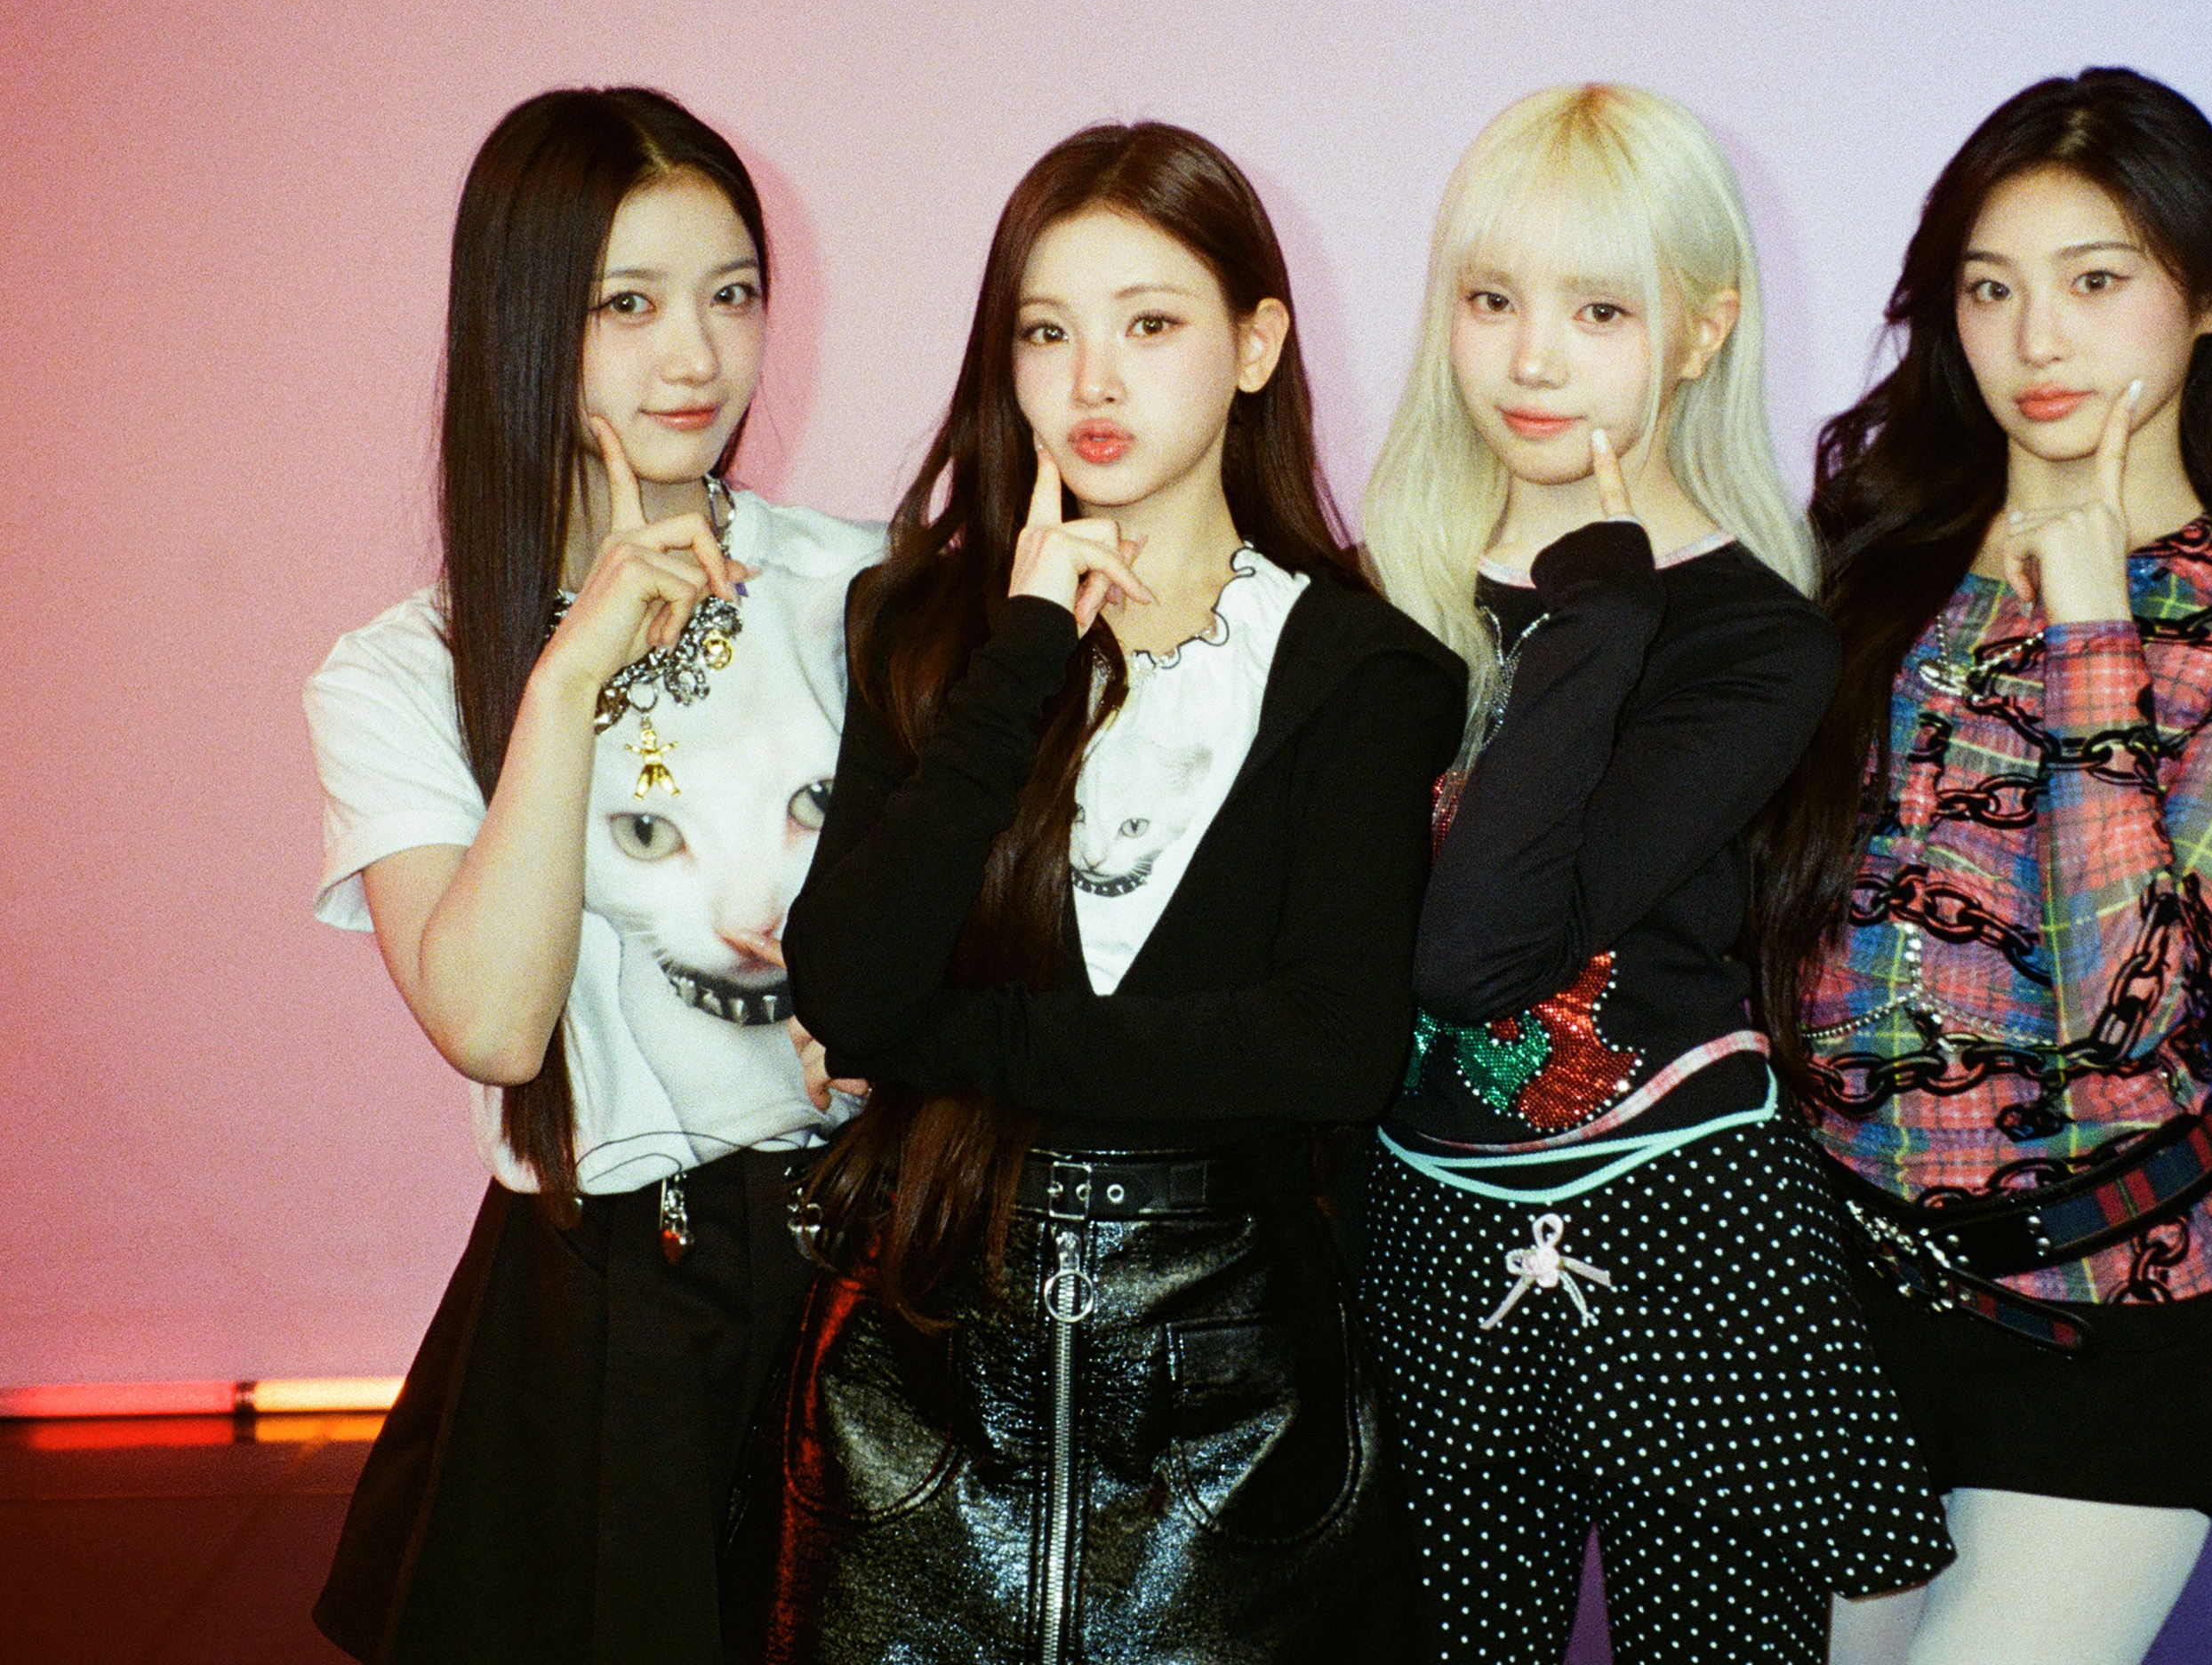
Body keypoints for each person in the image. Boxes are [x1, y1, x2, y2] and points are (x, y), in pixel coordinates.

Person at [723, 121, 1464, 1665]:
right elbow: (846, 986)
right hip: (918, 1380)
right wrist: (1020, 655)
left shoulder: (1361, 668)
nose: (1092, 383)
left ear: (1255, 344)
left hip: (1233, 1409)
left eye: (1150, 325)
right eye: (1046, 333)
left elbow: (1331, 1047)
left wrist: (945, 1043)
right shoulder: (923, 626)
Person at [1750, 68, 2212, 1665]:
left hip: (2103, 1309)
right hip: (1821, 1304)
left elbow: (2124, 1006)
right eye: (1989, 289)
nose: (2037, 340)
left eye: (2094, 283)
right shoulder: (1851, 570)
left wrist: (2090, 622)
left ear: (2211, 296)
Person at [1355, 84, 1954, 1665]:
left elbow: (1477, 953)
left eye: (1598, 310)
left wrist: (1597, 619)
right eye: (1490, 300)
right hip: (1418, 1230)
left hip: (1683, 1229)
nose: (1530, 361)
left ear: (1701, 330)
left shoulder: (1752, 640)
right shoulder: (1379, 594)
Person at [303, 87, 884, 1663]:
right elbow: (495, 1026)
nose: (693, 357)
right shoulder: (400, 676)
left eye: (730, 295)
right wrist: (566, 681)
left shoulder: (862, 589)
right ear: (522, 321)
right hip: (611, 1300)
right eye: (627, 305)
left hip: (874, 1277)